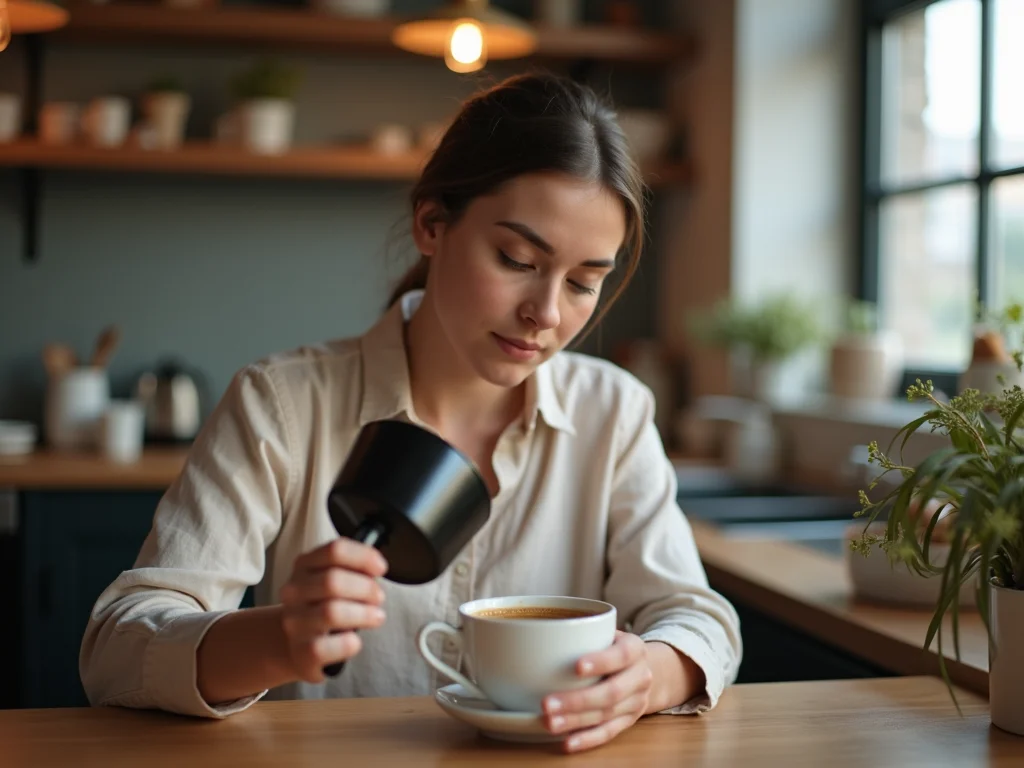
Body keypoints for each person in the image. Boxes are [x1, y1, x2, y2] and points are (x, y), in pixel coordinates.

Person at [80, 71, 742, 754]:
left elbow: (697, 618)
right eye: (517, 259)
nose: (546, 314)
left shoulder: (613, 413)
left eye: (582, 282)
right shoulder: (282, 403)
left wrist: (649, 675)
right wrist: (279, 639)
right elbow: (116, 648)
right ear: (432, 224)